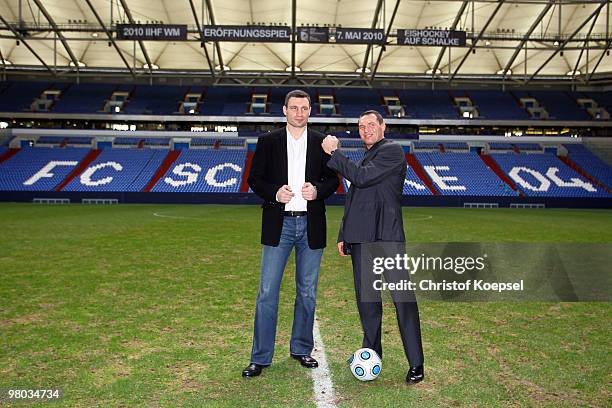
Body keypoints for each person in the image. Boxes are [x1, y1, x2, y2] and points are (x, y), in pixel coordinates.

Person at [321, 110, 425, 384]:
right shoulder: (367, 156)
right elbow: (355, 198)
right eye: (361, 126)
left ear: (383, 126)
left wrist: (334, 153)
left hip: (387, 239)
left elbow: (361, 178)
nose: (365, 129)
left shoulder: (391, 150)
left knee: (403, 301)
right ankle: (372, 352)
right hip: (362, 239)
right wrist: (345, 233)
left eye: (370, 124)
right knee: (368, 302)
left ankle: (416, 362)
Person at [242, 90, 339, 378]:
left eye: (304, 108)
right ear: (284, 110)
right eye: (294, 107)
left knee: (307, 293)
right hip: (279, 226)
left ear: (310, 111)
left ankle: (301, 349)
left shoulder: (322, 142)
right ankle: (260, 357)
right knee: (267, 293)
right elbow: (254, 179)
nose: (299, 112)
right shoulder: (268, 141)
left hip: (310, 225)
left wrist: (318, 190)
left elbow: (333, 179)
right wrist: (274, 192)